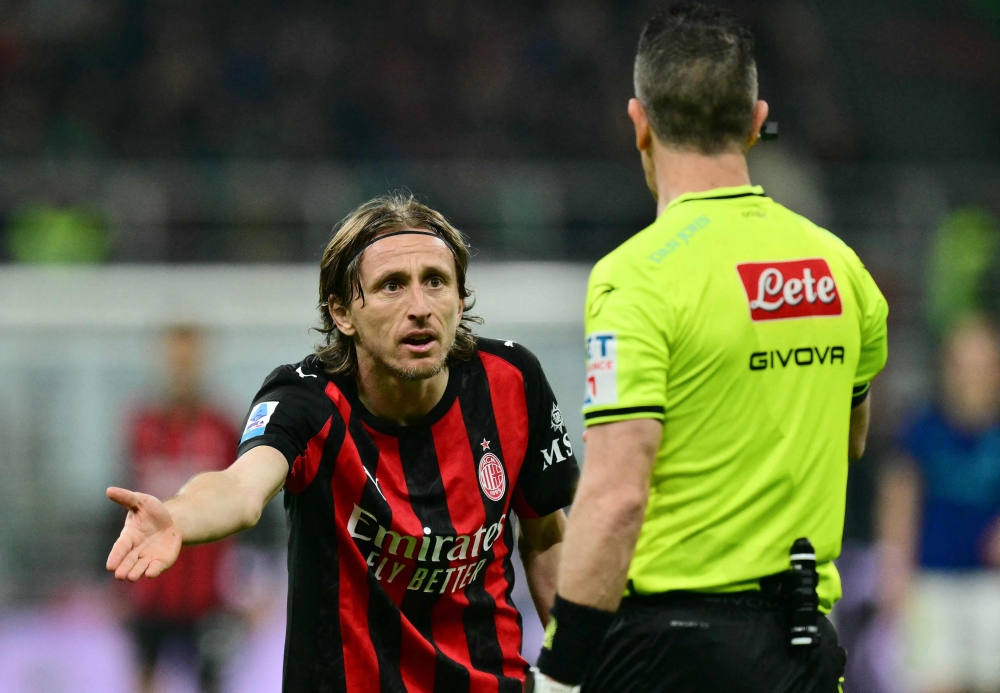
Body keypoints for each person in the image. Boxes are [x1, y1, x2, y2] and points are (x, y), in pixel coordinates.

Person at [535, 4, 889, 692]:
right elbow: (848, 437)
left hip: (665, 652)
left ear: (640, 123)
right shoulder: (840, 268)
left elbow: (614, 495)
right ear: (756, 121)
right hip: (801, 645)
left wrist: (560, 670)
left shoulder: (636, 277)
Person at [106, 193, 580, 692]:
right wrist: (177, 515)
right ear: (342, 312)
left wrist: (573, 669)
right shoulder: (306, 399)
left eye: (436, 282)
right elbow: (241, 488)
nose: (419, 307)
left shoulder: (512, 380)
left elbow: (548, 536)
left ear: (460, 299)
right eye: (391, 286)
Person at [879, 315, 1000, 693]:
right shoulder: (923, 427)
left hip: (991, 584)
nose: (971, 378)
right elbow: (900, 498)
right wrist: (894, 567)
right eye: (962, 365)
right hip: (932, 582)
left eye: (982, 366)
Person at [123, 325, 239, 693]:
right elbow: (119, 506)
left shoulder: (222, 427)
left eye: (189, 360)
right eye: (175, 359)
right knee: (143, 678)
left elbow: (245, 503)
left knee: (212, 682)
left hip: (209, 597)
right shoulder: (141, 427)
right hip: (148, 589)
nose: (182, 368)